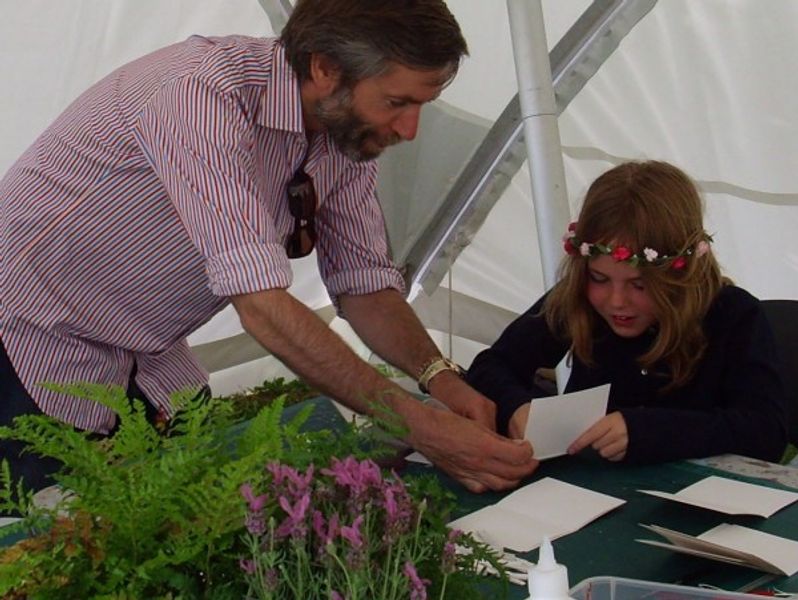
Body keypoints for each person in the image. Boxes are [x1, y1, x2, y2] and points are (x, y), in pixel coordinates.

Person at [0, 0, 538, 499]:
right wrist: (419, 424)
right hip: (28, 349)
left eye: (423, 104)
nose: (410, 128)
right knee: (47, 551)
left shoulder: (340, 130)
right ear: (325, 67)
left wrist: (440, 380)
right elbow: (260, 305)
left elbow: (366, 286)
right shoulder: (199, 96)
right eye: (397, 102)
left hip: (144, 357)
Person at [467, 160, 788, 465]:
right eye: (599, 278)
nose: (617, 301)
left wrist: (647, 430)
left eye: (640, 285)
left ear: (679, 274)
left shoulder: (732, 315)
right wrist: (518, 407)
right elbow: (491, 366)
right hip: (586, 493)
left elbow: (765, 432)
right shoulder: (579, 301)